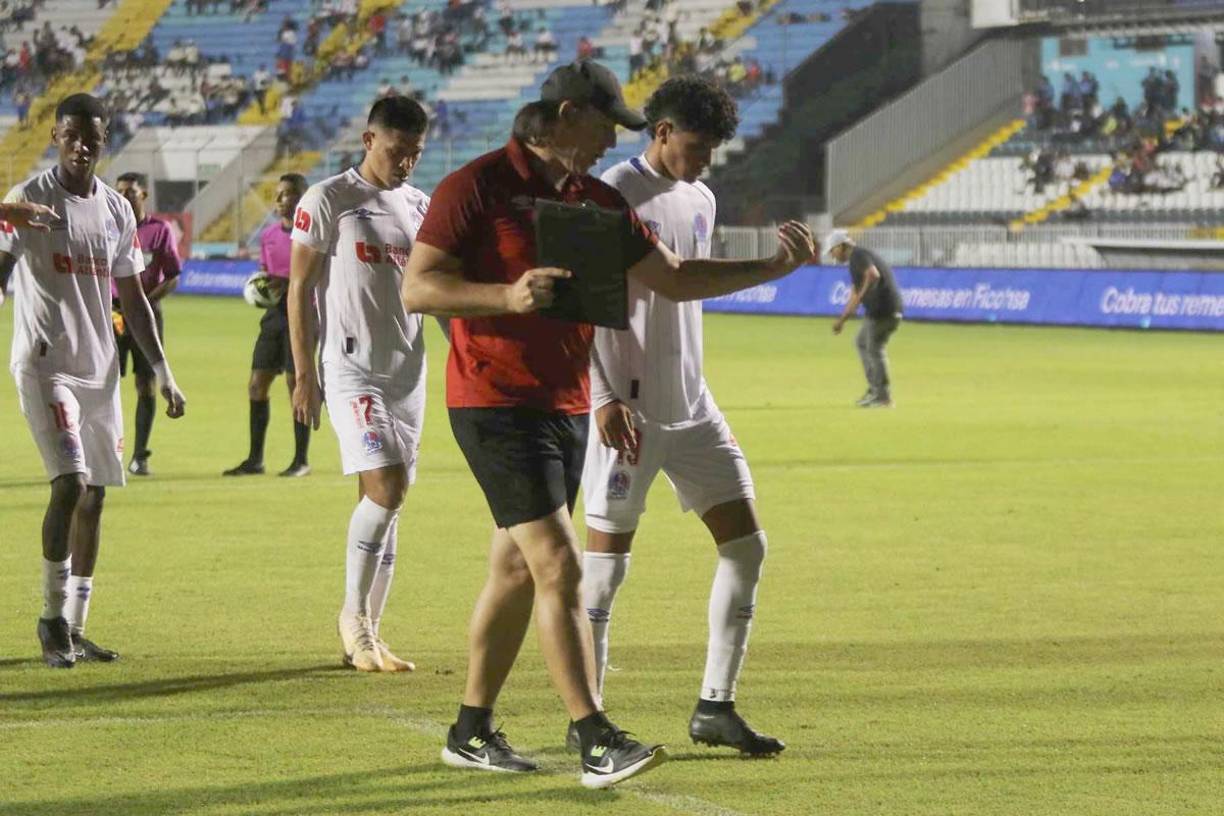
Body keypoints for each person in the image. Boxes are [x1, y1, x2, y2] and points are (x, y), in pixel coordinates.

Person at [401, 59, 816, 788]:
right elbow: (418, 288)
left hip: (562, 404)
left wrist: (772, 269)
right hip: (494, 400)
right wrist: (507, 296)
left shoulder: (594, 198)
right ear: (565, 116)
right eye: (603, 125)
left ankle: (470, 729)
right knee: (564, 565)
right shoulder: (475, 186)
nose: (608, 142)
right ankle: (594, 735)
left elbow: (675, 278)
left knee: (513, 570)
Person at [575, 75, 784, 758]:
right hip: (627, 409)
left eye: (712, 152)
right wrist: (601, 396)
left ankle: (715, 707)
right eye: (696, 147)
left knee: (746, 547)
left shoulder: (701, 196)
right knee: (603, 574)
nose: (704, 163)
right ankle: (591, 720)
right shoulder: (611, 193)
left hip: (693, 406)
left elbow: (685, 290)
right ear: (660, 132)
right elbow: (582, 305)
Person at [0, 94, 186, 668]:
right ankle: (51, 618)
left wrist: (162, 370)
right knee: (69, 484)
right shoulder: (29, 200)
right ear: (55, 136)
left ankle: (76, 626)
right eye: (72, 135)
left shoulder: (116, 211)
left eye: (94, 137)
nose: (82, 146)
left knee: (96, 496)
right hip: (45, 363)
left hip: (100, 369)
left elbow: (131, 294)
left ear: (105, 141)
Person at [287, 97, 430, 674]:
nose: (406, 164)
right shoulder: (329, 200)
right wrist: (304, 374)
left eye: (415, 154)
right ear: (369, 140)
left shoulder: (420, 206)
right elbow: (299, 290)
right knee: (388, 488)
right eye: (398, 151)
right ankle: (355, 622)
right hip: (352, 370)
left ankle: (369, 635)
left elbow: (432, 289)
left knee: (388, 501)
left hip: (407, 374)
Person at [223, 174, 313, 477]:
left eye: (286, 194)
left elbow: (318, 280)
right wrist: (262, 287)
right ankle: (255, 459)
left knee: (294, 385)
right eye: (277, 194)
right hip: (274, 317)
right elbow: (266, 273)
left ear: (302, 197)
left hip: (303, 315)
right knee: (256, 384)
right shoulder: (269, 236)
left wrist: (284, 284)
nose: (279, 200)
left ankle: (301, 460)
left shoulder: (313, 235)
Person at [111, 172, 182, 477]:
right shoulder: (108, 227)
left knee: (146, 384)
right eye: (120, 191)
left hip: (146, 314)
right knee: (104, 383)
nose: (125, 196)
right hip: (111, 314)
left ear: (144, 195)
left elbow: (174, 274)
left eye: (131, 191)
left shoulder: (159, 230)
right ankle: (105, 449)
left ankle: (139, 455)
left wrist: (147, 301)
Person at [827, 230, 902, 408]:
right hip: (880, 311)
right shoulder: (856, 260)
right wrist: (842, 320)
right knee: (861, 342)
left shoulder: (858, 255)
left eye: (832, 251)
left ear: (840, 246)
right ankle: (875, 390)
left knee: (874, 348)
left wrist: (863, 294)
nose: (832, 255)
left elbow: (873, 275)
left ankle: (883, 396)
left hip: (884, 310)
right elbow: (854, 294)